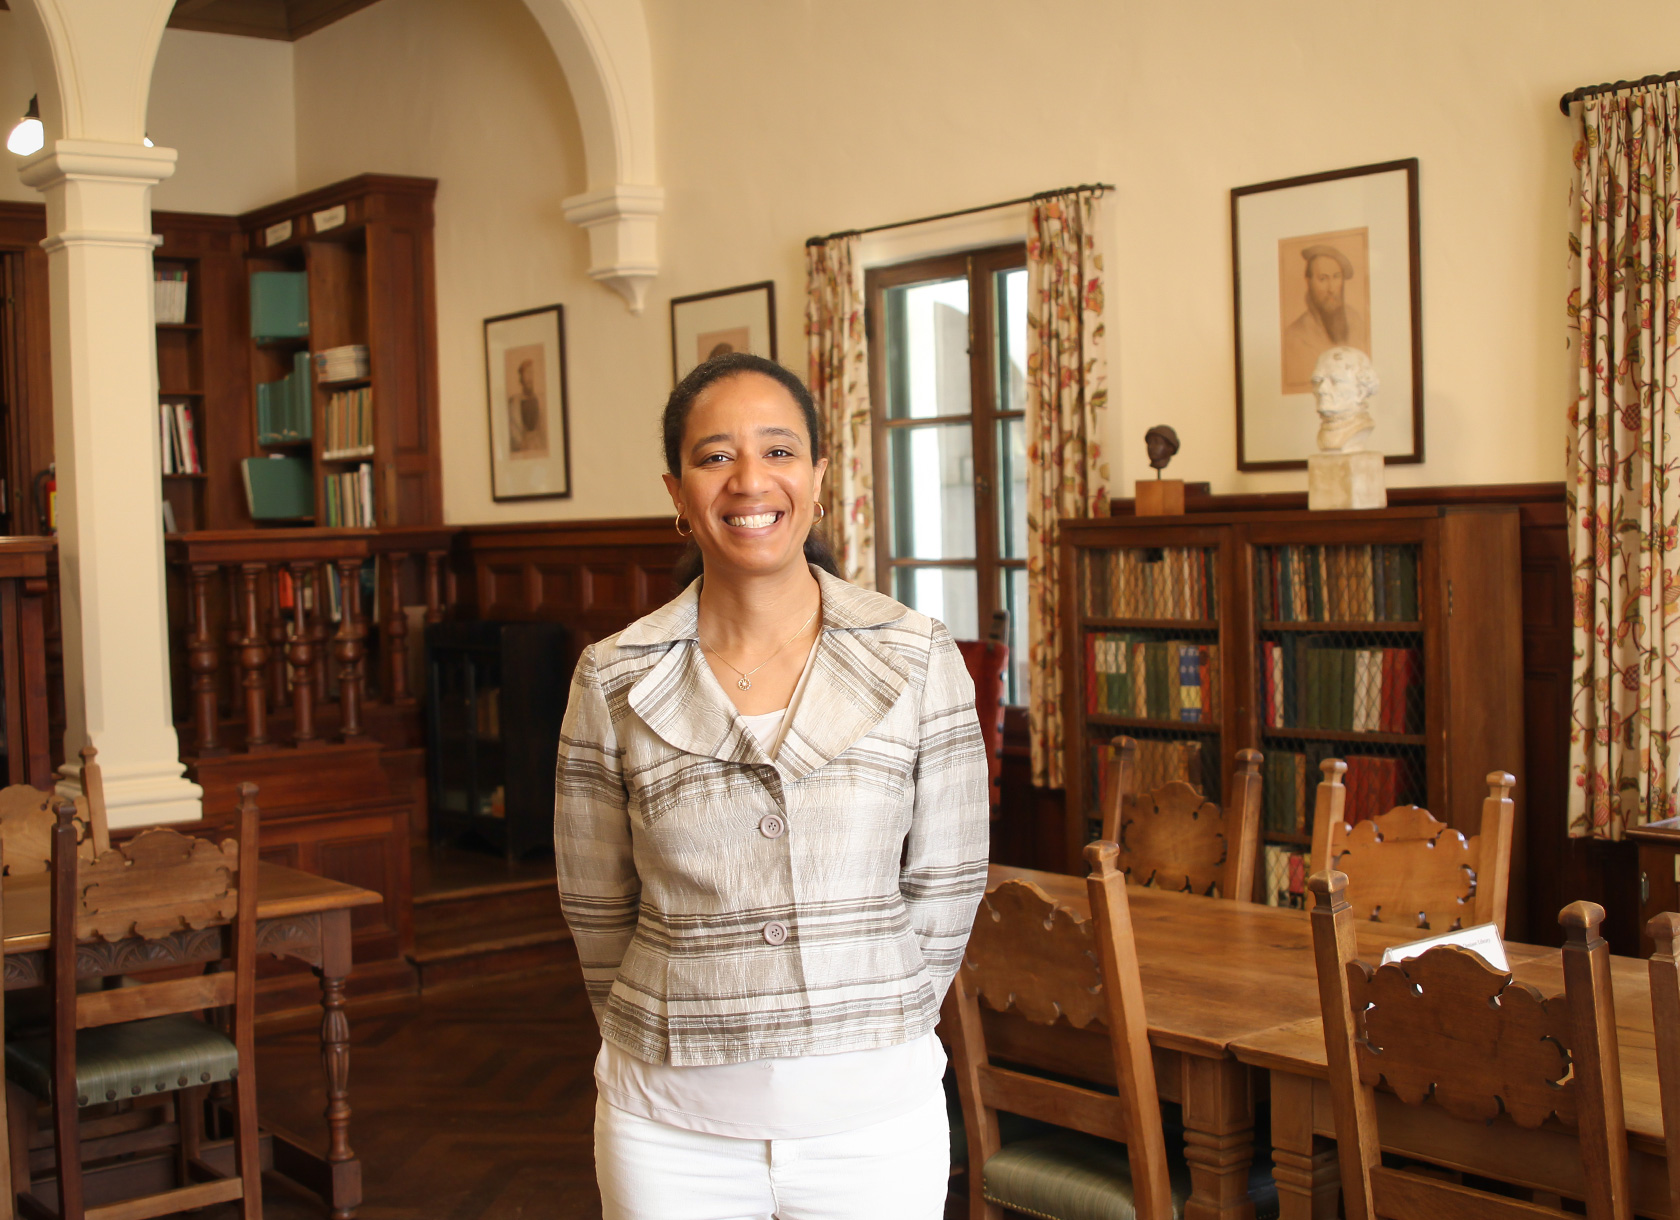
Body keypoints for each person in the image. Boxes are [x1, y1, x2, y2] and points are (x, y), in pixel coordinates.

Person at [554, 351, 990, 1220]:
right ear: (677, 492)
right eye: (716, 456)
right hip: (667, 1127)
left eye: (780, 451)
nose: (750, 480)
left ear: (819, 477)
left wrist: (869, 1006)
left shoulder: (915, 655)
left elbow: (947, 883)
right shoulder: (612, 677)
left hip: (875, 1125)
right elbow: (595, 905)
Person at [1281, 244, 1370, 391]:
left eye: (1336, 277)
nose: (1331, 288)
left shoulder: (1357, 322)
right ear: (1308, 282)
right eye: (1323, 279)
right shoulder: (1295, 336)